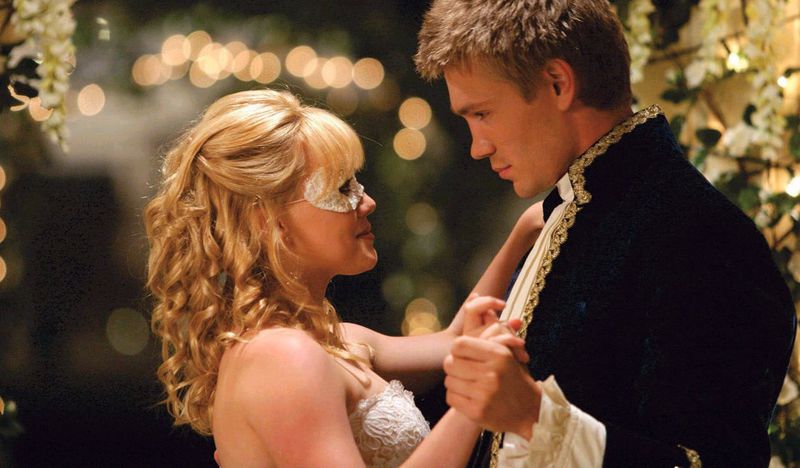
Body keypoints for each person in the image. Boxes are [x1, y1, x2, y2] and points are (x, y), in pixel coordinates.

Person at [415, 0, 796, 466]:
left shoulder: (699, 234)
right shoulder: (569, 216)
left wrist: (535, 418)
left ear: (558, 83)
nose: (478, 147)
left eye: (482, 113)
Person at [143, 89, 542, 467]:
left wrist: (525, 231)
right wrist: (474, 405)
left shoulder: (336, 339)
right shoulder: (282, 355)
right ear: (269, 221)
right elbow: (472, 365)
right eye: (341, 188)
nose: (367, 202)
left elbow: (455, 340)